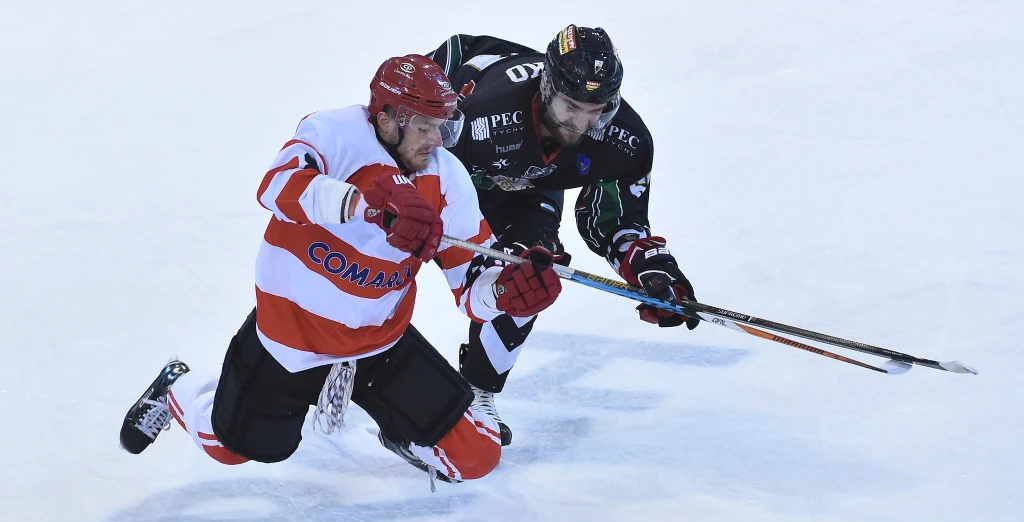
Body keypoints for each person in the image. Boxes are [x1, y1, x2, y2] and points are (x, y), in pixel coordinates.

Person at [118, 54, 562, 486]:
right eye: (425, 127)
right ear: (387, 119)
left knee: (477, 455)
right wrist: (364, 204)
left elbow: (471, 288)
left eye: (444, 126)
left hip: (378, 341)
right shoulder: (333, 133)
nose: (438, 141)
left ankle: (400, 432)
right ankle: (179, 386)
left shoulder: (447, 179)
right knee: (232, 447)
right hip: (291, 339)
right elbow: (275, 187)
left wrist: (505, 295)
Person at [427, 26, 699, 446]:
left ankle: (478, 391)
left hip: (527, 186)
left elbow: (611, 218)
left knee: (532, 270)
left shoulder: (626, 140)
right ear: (546, 87)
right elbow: (411, 165)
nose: (582, 123)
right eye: (572, 107)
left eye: (597, 109)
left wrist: (652, 270)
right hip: (450, 172)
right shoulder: (481, 114)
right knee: (392, 247)